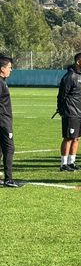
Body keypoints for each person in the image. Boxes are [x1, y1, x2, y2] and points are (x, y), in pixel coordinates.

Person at [57, 52, 81, 172]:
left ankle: (71, 162)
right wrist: (61, 109)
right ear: (77, 62)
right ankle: (63, 164)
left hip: (80, 112)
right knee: (68, 138)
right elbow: (62, 95)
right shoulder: (70, 76)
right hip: (70, 112)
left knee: (77, 138)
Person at [0, 56, 19, 187]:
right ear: (2, 69)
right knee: (9, 148)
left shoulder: (3, 81)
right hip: (3, 121)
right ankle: (8, 179)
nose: (10, 70)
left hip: (3, 120)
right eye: (9, 67)